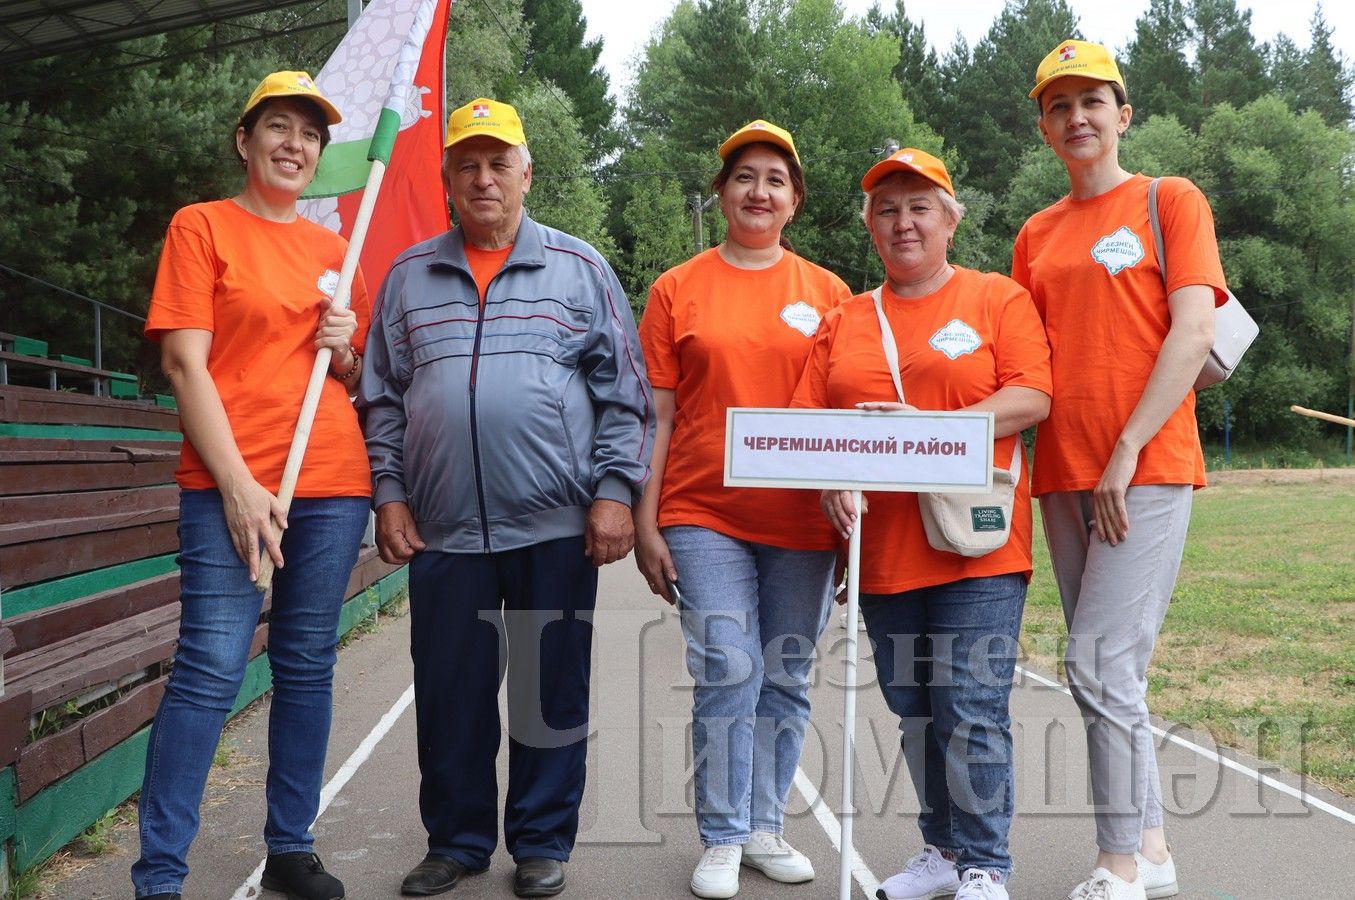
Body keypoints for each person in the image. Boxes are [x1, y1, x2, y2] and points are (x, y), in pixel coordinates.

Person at [357, 97, 654, 899]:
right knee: (450, 695)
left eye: (498, 163)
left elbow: (625, 395)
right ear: (448, 179)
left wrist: (615, 492)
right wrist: (389, 493)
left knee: (546, 693)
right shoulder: (409, 275)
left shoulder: (581, 269)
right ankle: (453, 841)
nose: (483, 177)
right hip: (443, 529)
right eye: (467, 164)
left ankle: (540, 842)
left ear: (528, 173)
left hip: (555, 525)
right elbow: (380, 397)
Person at [132, 71, 370, 900]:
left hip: (333, 481)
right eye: (277, 125)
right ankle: (161, 874)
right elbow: (181, 362)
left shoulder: (337, 252)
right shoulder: (201, 227)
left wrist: (343, 347)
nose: (293, 143)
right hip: (229, 482)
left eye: (308, 133)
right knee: (209, 666)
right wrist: (237, 487)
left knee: (306, 664)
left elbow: (348, 375)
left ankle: (291, 848)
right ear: (245, 140)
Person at [792, 148, 1052, 900]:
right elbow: (808, 425)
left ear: (950, 219)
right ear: (870, 224)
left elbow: (1032, 395)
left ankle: (982, 864)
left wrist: (929, 431)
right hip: (884, 553)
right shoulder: (845, 318)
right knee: (913, 709)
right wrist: (830, 480)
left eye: (918, 206)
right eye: (887, 208)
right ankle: (939, 850)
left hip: (977, 545)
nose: (902, 222)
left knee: (970, 707)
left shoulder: (996, 299)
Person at [1013, 40, 1225, 900]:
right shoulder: (1035, 233)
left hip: (1143, 468)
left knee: (1096, 665)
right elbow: (1019, 363)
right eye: (1059, 106)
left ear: (1122, 113)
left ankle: (1116, 866)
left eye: (1091, 101)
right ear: (1043, 128)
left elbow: (1193, 334)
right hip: (1062, 475)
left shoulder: (1167, 200)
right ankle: (1152, 846)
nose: (1076, 118)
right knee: (1113, 673)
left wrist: (1128, 448)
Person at [635, 119, 851, 900]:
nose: (758, 192)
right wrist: (645, 518)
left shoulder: (829, 293)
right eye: (744, 177)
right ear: (722, 192)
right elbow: (655, 415)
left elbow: (848, 414)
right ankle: (722, 835)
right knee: (729, 664)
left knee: (786, 674)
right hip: (702, 511)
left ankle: (764, 825)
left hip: (801, 524)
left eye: (775, 180)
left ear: (793, 200)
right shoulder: (675, 287)